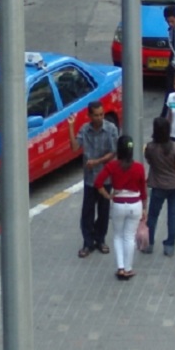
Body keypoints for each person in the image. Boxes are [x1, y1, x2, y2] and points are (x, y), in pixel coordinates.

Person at [68, 101, 118, 258]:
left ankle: (100, 239)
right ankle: (88, 242)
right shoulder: (85, 130)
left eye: (101, 114)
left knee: (103, 211)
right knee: (87, 212)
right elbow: (75, 147)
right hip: (90, 179)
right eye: (96, 115)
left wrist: (96, 162)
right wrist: (71, 126)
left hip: (105, 178)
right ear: (89, 115)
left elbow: (113, 152)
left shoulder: (111, 129)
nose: (99, 118)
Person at [94, 135, 147, 280]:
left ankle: (120, 268)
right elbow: (143, 190)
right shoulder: (139, 167)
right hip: (135, 204)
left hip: (118, 204)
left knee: (118, 236)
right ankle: (128, 268)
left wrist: (108, 196)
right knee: (129, 237)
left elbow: (98, 182)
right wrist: (144, 208)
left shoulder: (112, 166)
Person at [144, 117, 175, 257]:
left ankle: (149, 243)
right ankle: (169, 246)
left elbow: (149, 161)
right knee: (172, 216)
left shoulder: (150, 147)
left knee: (153, 216)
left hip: (157, 186)